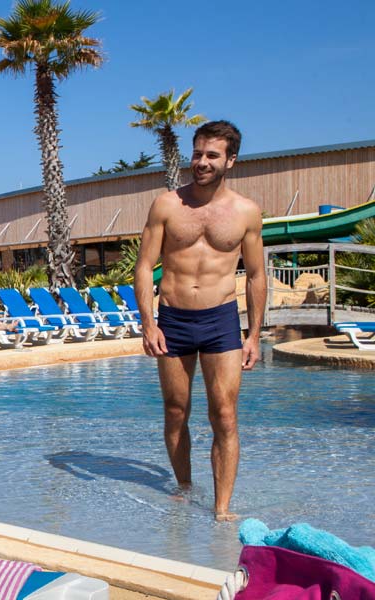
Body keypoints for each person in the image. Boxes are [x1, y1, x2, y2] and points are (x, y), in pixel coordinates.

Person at [134, 120, 266, 521]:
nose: (203, 162)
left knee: (223, 413)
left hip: (221, 321)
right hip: (173, 319)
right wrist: (148, 322)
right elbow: (144, 267)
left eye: (212, 155)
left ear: (231, 161)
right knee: (176, 410)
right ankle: (185, 486)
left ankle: (222, 508)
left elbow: (257, 275)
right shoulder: (167, 205)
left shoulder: (246, 212)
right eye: (198, 154)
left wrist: (255, 335)